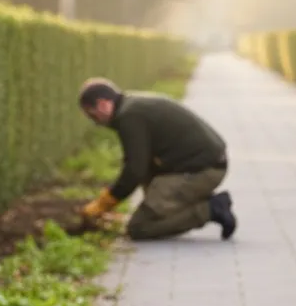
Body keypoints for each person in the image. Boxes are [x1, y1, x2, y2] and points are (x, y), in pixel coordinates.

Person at [76, 77, 237, 240]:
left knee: (139, 228)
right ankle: (180, 203)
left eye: (93, 115)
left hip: (204, 170)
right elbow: (143, 163)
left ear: (103, 104)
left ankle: (210, 210)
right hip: (202, 163)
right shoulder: (132, 105)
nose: (95, 122)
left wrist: (105, 203)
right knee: (151, 196)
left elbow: (135, 170)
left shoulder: (129, 116)